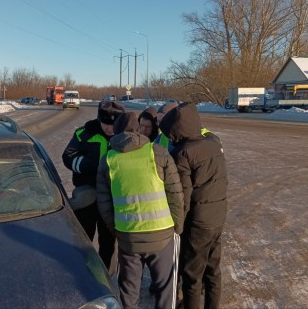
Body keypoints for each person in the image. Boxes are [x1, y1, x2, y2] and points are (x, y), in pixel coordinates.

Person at [96, 112, 185, 309]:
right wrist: (177, 226)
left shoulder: (108, 160)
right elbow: (175, 194)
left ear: (116, 133)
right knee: (165, 292)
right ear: (138, 131)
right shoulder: (158, 153)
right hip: (162, 235)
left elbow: (104, 203)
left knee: (128, 293)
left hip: (128, 237)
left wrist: (117, 230)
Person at [159, 102, 228, 309]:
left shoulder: (183, 152)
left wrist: (178, 225)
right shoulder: (213, 143)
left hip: (198, 223)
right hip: (217, 217)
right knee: (213, 271)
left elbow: (183, 196)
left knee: (192, 277)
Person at [62, 100, 125, 270]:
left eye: (113, 125)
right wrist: (86, 165)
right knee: (83, 238)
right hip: (86, 197)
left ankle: (106, 275)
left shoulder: (124, 137)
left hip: (111, 198)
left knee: (108, 241)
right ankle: (82, 271)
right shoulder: (84, 133)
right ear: (99, 119)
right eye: (105, 123)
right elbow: (68, 156)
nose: (109, 128)